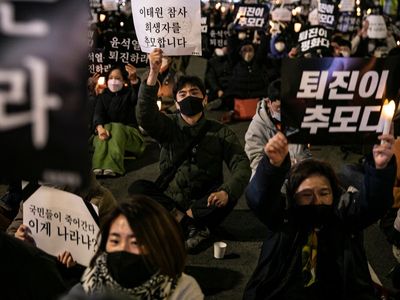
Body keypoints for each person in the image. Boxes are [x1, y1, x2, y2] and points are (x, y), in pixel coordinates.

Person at [244, 132, 396, 300]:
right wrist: (271, 167)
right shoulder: (282, 217)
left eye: (324, 193)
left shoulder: (346, 216)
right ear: (293, 197)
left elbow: (375, 202)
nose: (316, 201)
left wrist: (380, 170)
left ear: (335, 194)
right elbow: (258, 199)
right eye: (306, 194)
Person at [130, 48, 251, 250]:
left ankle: (176, 224)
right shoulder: (169, 125)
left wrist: (226, 191)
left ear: (204, 99)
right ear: (176, 103)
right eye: (183, 94)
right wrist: (152, 74)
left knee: (227, 200)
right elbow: (145, 116)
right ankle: (189, 225)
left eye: (194, 93)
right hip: (171, 199)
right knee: (137, 189)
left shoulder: (220, 132)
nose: (189, 97)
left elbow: (242, 165)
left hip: (204, 203)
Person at [62, 196, 204, 300]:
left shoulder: (184, 290)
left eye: (135, 242)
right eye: (115, 241)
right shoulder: (91, 283)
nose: (122, 248)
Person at [245, 79, 310, 178]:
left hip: (298, 173)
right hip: (271, 176)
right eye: (279, 108)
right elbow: (256, 161)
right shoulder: (257, 127)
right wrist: (282, 167)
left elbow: (304, 152)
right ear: (268, 103)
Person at [92, 64, 145, 177]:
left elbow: (137, 97)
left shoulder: (129, 93)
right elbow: (98, 114)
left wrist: (134, 80)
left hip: (130, 136)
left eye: (117, 78)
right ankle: (98, 166)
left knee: (116, 127)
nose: (114, 81)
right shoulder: (102, 97)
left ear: (124, 80)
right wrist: (100, 129)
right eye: (111, 78)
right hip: (107, 133)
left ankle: (113, 166)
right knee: (107, 128)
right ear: (106, 81)